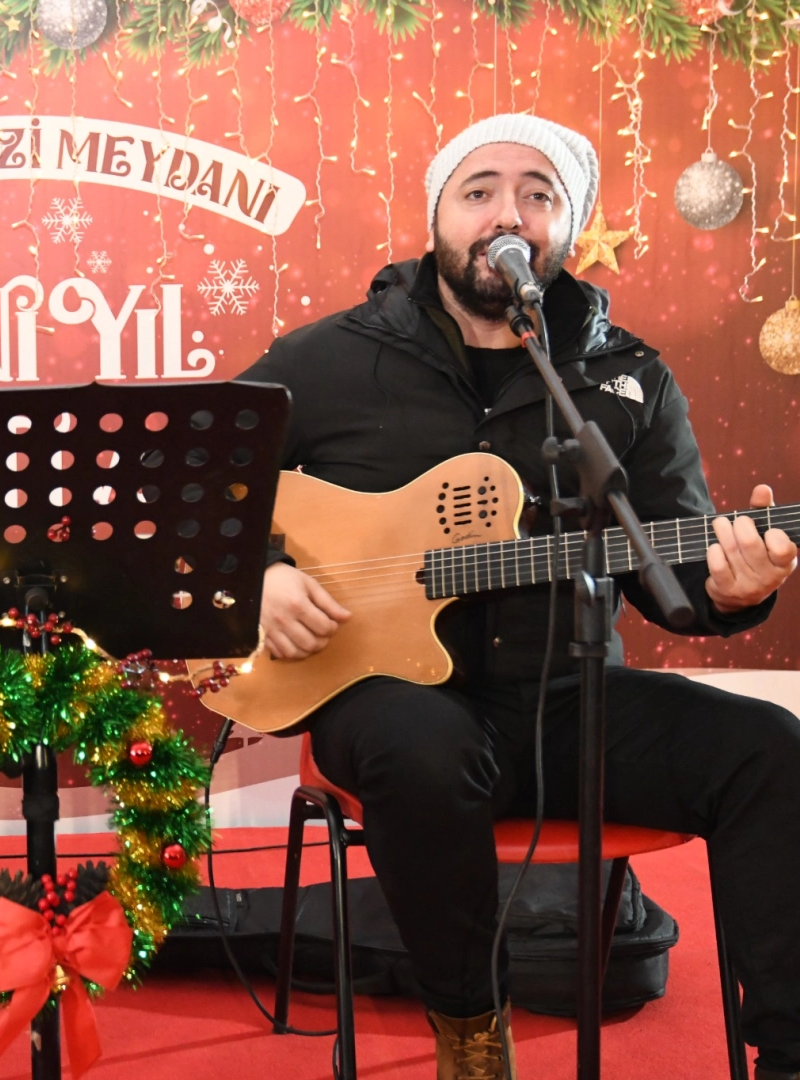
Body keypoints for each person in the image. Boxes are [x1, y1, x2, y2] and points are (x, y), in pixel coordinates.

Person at [240, 114, 800, 1079]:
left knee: (768, 751)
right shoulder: (319, 360)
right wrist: (256, 576)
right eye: (480, 190)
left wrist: (733, 590)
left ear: (566, 229)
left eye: (537, 193)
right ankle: (468, 1031)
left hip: (568, 701)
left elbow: (671, 582)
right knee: (426, 746)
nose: (509, 212)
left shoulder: (627, 377)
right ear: (438, 219)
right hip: (389, 702)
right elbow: (200, 507)